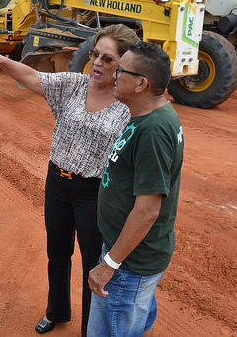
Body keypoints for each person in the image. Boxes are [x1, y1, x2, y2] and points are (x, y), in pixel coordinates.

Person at [0, 25, 139, 336]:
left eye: (108, 58)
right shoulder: (74, 85)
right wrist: (2, 61)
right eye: (95, 54)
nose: (98, 63)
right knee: (57, 253)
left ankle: (92, 328)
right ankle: (56, 310)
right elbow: (33, 78)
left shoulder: (128, 105)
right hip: (57, 183)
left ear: (124, 65)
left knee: (93, 264)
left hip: (94, 192)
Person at [87, 41, 184, 337]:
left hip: (128, 264)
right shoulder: (147, 116)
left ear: (142, 83)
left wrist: (109, 264)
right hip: (130, 257)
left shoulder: (153, 130)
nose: (114, 74)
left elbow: (147, 210)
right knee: (137, 325)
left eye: (121, 70)